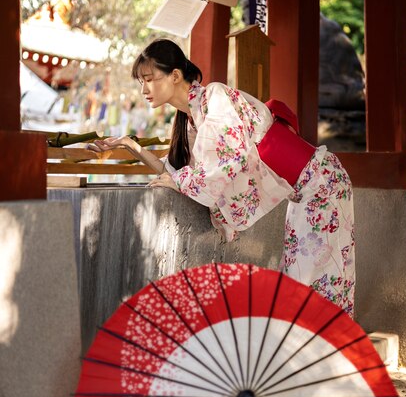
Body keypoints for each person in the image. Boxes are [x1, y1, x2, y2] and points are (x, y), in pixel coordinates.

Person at [88, 38, 355, 317]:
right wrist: (132, 147)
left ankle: (324, 348)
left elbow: (228, 160)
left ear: (175, 75)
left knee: (314, 278)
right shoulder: (191, 119)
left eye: (149, 79)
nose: (143, 89)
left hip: (321, 182)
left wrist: (179, 181)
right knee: (310, 276)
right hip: (303, 188)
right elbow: (178, 173)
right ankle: (323, 346)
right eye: (140, 82)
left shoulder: (215, 97)